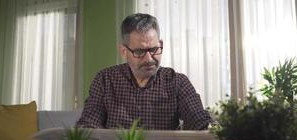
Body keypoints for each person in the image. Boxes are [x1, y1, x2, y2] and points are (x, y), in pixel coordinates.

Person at [76, 13, 212, 130]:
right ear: (124, 51)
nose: (149, 59)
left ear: (161, 44)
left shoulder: (177, 82)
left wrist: (218, 133)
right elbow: (89, 125)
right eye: (140, 51)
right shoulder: (105, 80)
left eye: (154, 50)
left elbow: (199, 120)